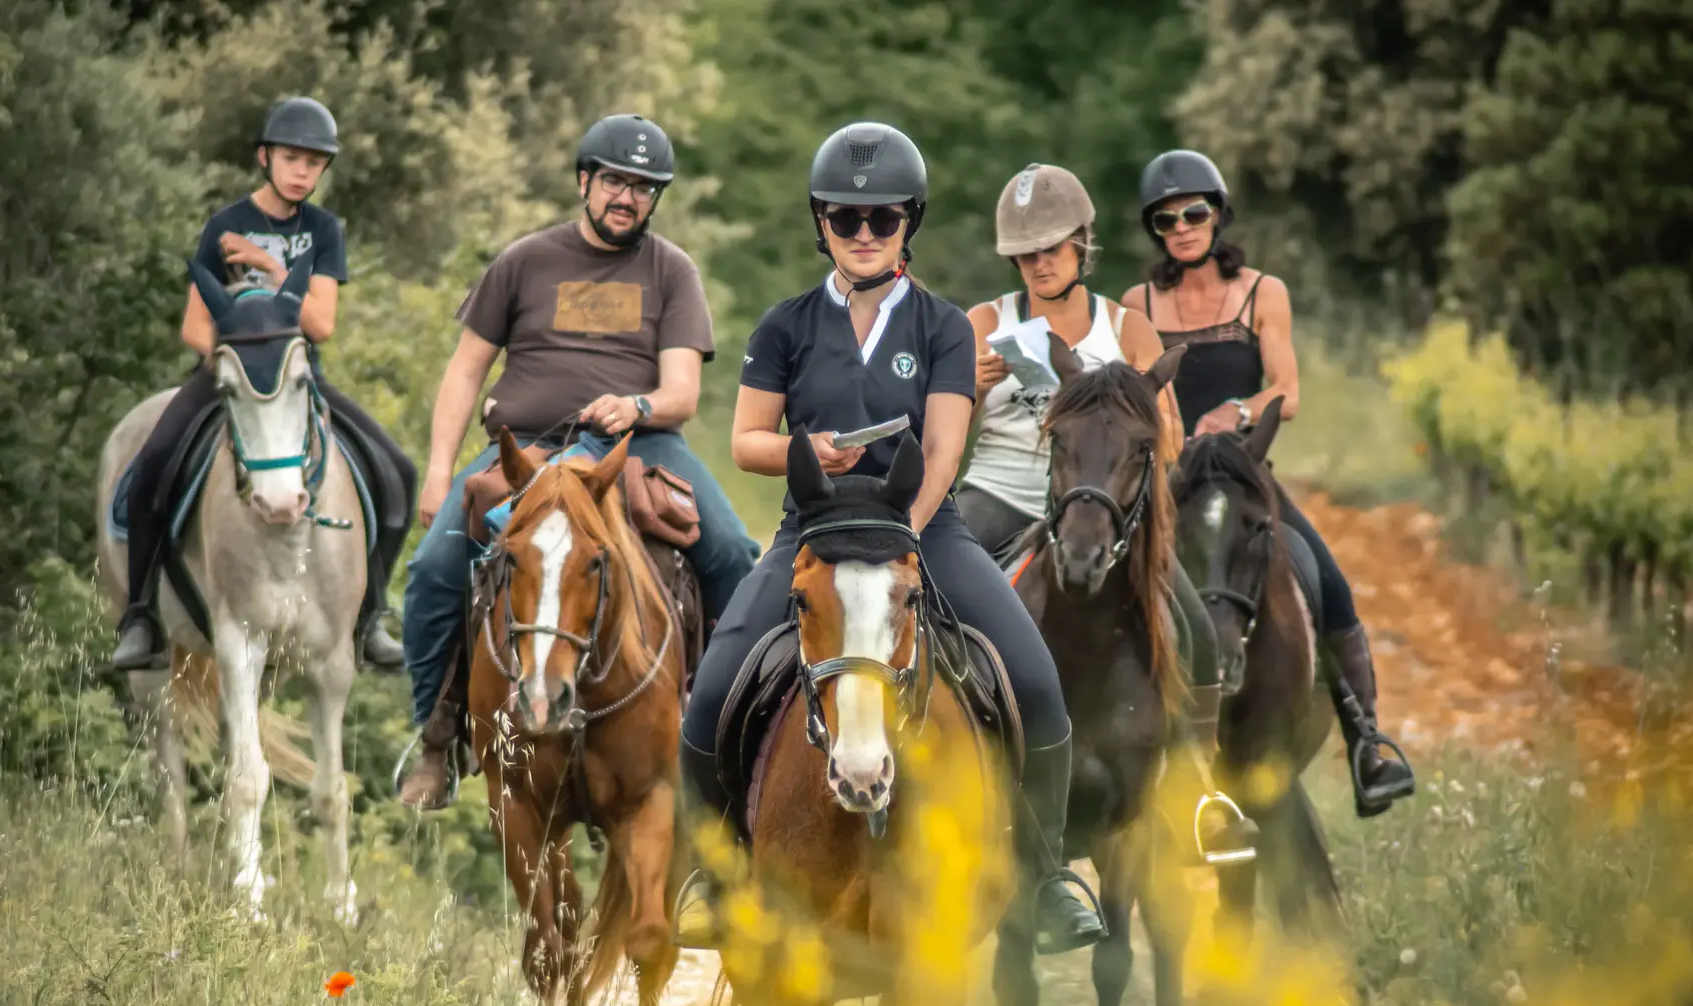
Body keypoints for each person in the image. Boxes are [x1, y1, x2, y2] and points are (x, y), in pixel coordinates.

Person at [672, 123, 1109, 957]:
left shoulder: (944, 326)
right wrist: (810, 454)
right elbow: (746, 442)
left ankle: (1043, 877)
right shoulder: (785, 324)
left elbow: (944, 448)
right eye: (846, 219)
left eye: (882, 219)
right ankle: (716, 875)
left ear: (909, 222)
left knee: (1035, 683)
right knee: (714, 691)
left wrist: (898, 542)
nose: (864, 234)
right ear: (821, 223)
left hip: (922, 530)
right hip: (812, 529)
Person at [395, 113, 762, 809]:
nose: (628, 198)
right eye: (616, 182)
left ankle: (716, 742)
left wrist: (639, 407)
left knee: (734, 556)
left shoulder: (671, 270)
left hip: (637, 448)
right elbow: (464, 371)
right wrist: (441, 470)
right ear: (585, 181)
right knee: (432, 570)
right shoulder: (524, 261)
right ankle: (437, 738)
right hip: (525, 450)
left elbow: (681, 390)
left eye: (645, 188)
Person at [955, 162, 1258, 862]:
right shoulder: (983, 322)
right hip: (998, 495)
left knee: (1194, 627)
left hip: (1101, 514)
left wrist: (1136, 430)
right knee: (924, 593)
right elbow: (944, 430)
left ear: (1081, 245)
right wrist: (967, 387)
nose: (1037, 263)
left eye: (1051, 249)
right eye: (1024, 253)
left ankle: (1198, 793)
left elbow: (1168, 439)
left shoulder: (1126, 328)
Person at [1122, 149, 1417, 817]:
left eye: (1193, 213)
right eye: (1165, 220)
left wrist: (1237, 411)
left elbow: (1286, 392)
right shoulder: (1136, 303)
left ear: (1218, 214)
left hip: (1244, 474)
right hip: (1173, 482)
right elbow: (1135, 388)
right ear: (1156, 231)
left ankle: (1365, 738)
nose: (1182, 227)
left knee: (1326, 578)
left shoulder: (1261, 292)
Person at [112, 96, 416, 673]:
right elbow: (195, 325)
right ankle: (142, 614)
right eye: (292, 158)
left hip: (300, 382)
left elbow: (321, 324)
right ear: (264, 157)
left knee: (396, 469)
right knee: (151, 465)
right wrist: (236, 362)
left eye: (315, 162)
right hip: (226, 379)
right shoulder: (223, 225)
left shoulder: (324, 230)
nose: (303, 171)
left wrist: (270, 267)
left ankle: (371, 614)